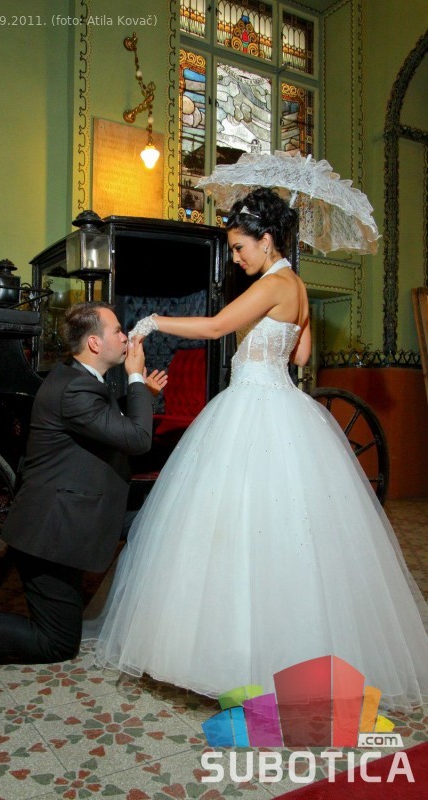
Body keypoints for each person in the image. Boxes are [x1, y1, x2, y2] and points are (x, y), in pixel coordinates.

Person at [87, 188, 428, 710]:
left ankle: (241, 658)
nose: (236, 258)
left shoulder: (275, 283)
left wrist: (154, 322)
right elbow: (303, 354)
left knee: (240, 523)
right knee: (281, 529)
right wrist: (287, 323)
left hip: (254, 406)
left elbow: (216, 327)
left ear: (266, 240)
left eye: (240, 247)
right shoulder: (296, 286)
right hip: (281, 403)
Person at [0, 302, 167, 664]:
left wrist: (142, 394)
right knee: (56, 644)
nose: (126, 337)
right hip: (50, 535)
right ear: (94, 343)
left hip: (71, 516)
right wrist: (136, 379)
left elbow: (105, 420)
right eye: (118, 330)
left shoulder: (79, 379)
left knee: (153, 522)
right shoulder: (76, 389)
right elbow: (137, 439)